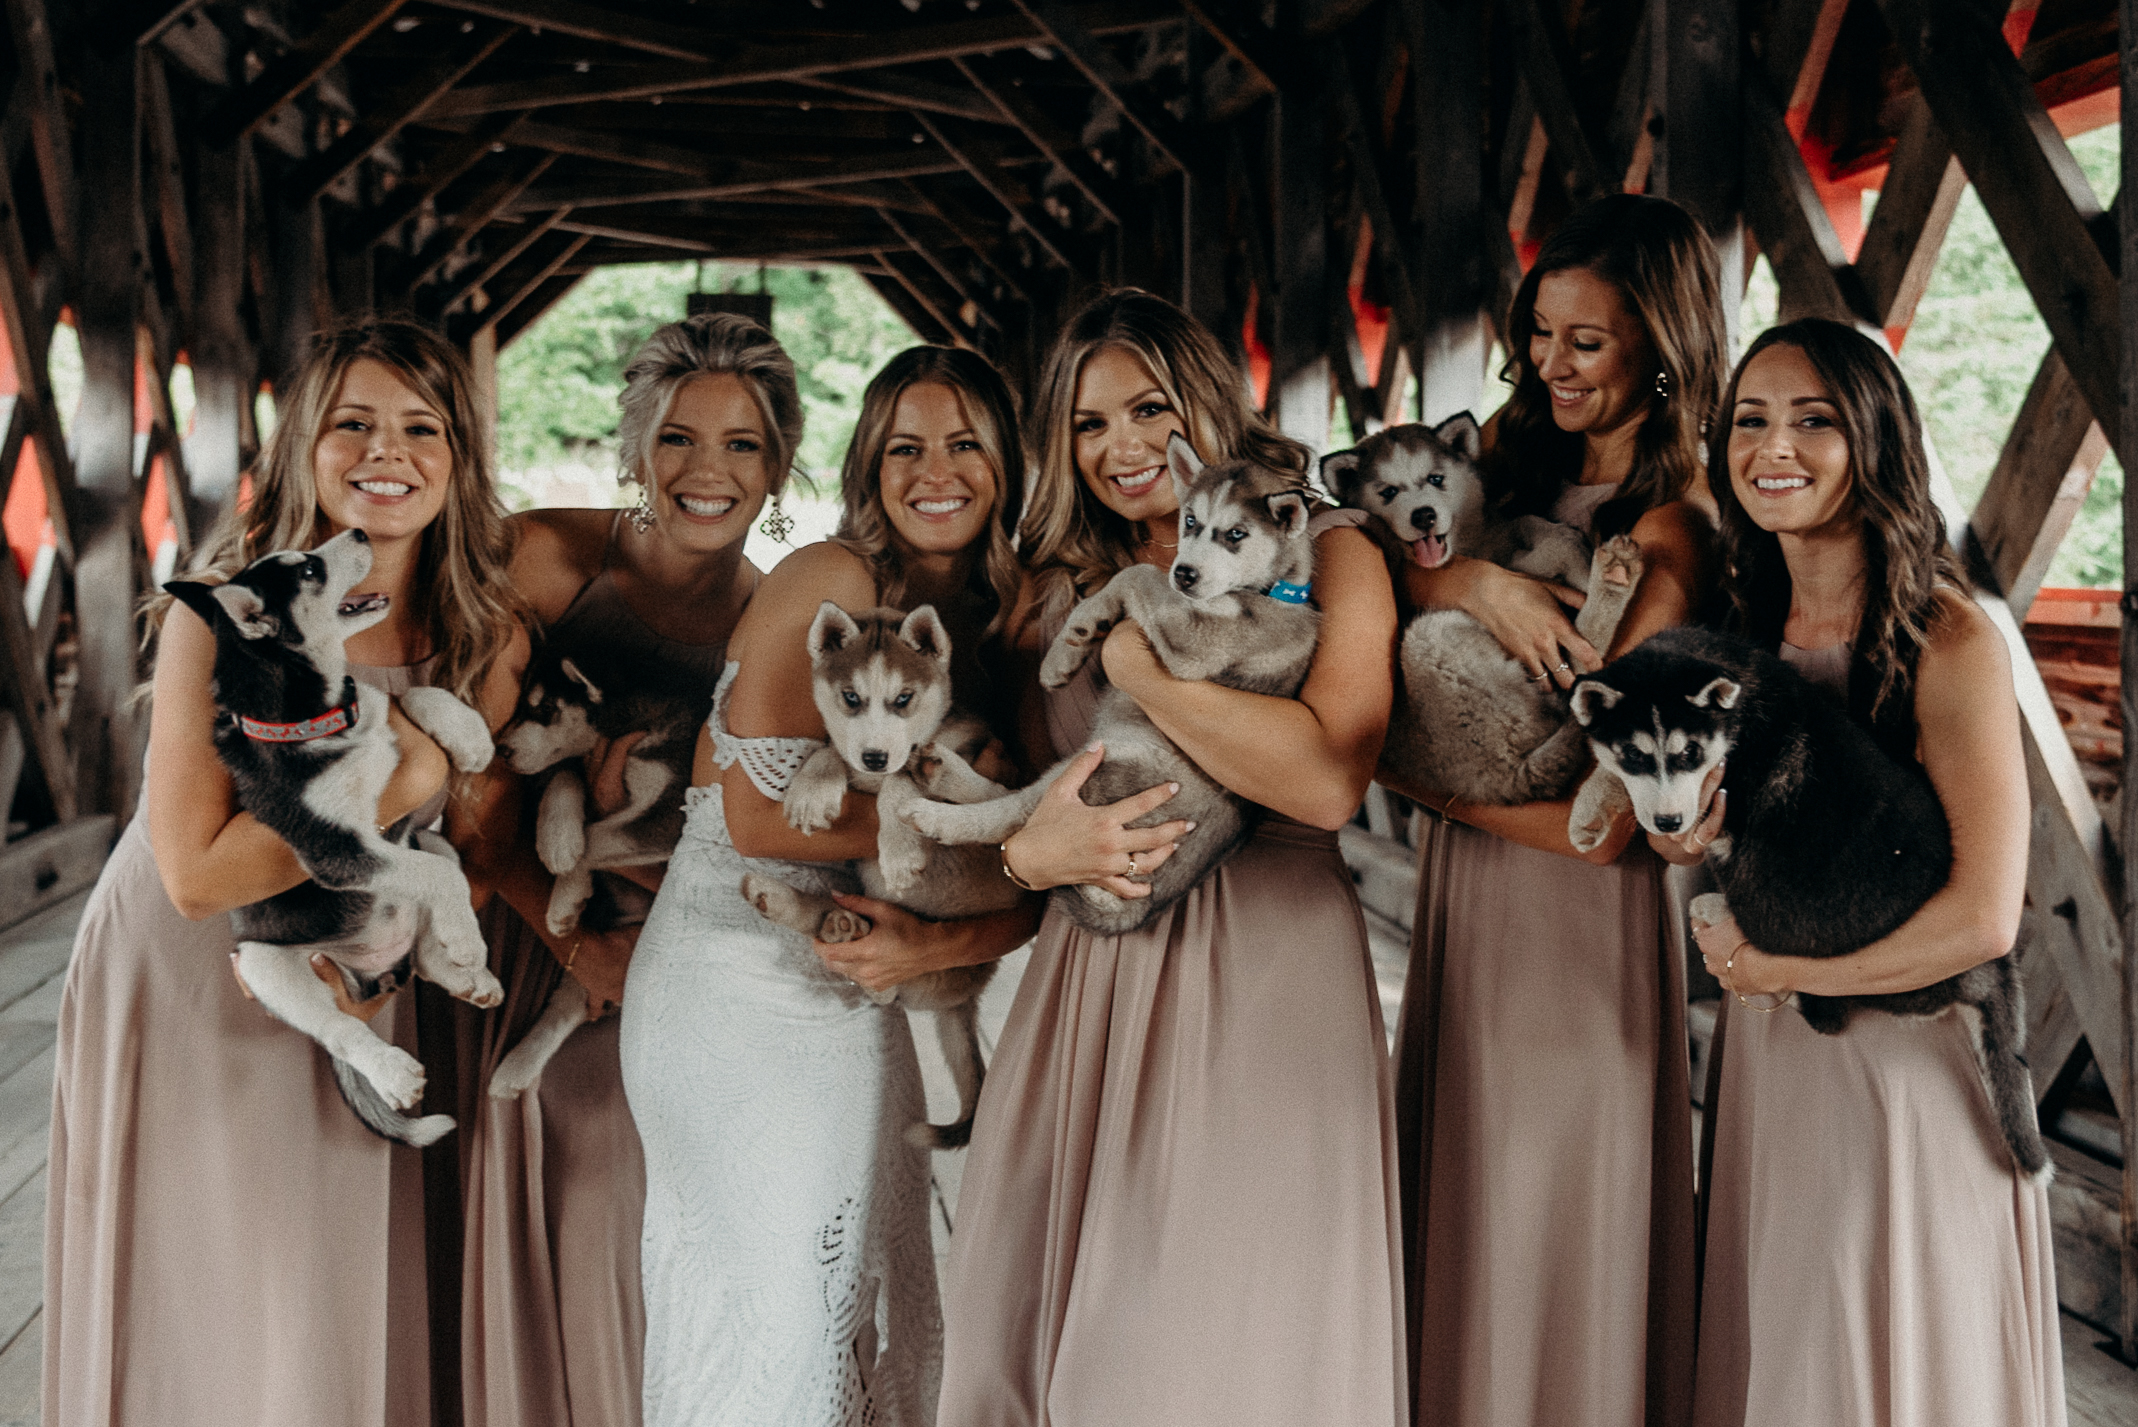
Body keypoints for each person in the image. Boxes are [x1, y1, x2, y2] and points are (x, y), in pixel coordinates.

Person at [923, 287, 1406, 1426]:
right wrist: (1024, 860)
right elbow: (1006, 798)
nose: (1120, 447)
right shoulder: (1052, 583)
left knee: (1209, 1320)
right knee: (1046, 1321)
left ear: (1200, 406)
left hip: (1267, 972)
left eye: (1144, 410)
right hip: (1097, 979)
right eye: (1087, 425)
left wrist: (1139, 668)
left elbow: (1326, 777)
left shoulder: (1331, 552)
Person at [44, 320, 521, 1427]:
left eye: (419, 427)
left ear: (458, 458)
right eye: (350, 423)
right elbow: (196, 874)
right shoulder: (229, 605)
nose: (383, 451)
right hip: (200, 971)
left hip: (354, 957)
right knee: (233, 1270)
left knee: (332, 1262)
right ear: (301, 445)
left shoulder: (477, 625)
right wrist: (402, 775)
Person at [619, 345, 1032, 1426]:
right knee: (772, 1315)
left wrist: (969, 894)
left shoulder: (998, 616)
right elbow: (756, 812)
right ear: (867, 464)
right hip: (733, 979)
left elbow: (1018, 877)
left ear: (1006, 463)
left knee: (844, 1304)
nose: (932, 469)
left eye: (961, 444)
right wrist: (1002, 831)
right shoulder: (832, 580)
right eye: (904, 446)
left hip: (854, 976)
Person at [1668, 319, 2061, 1427]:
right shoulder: (1740, 625)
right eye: (1748, 420)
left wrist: (1782, 969)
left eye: (1811, 420)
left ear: (1875, 443)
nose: (1770, 446)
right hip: (1773, 1049)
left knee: (1880, 1339)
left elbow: (1983, 916)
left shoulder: (1946, 636)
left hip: (1905, 1060)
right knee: (1792, 1337)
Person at [1380, 193, 1726, 1427]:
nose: (1550, 363)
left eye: (1587, 340)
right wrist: (1472, 578)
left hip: (1568, 893)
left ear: (1660, 340)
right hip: (1468, 890)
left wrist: (1401, 778)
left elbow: (1618, 813)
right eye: (1539, 332)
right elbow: (1372, 563)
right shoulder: (1504, 470)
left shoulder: (1674, 523)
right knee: (1465, 1171)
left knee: (1544, 1185)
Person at [451, 311, 799, 1427]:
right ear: (634, 446)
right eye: (678, 438)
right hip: (514, 915)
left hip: (667, 939)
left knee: (660, 1214)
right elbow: (471, 793)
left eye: (742, 443)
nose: (708, 470)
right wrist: (576, 945)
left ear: (779, 462)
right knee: (561, 1177)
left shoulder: (776, 618)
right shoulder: (542, 556)